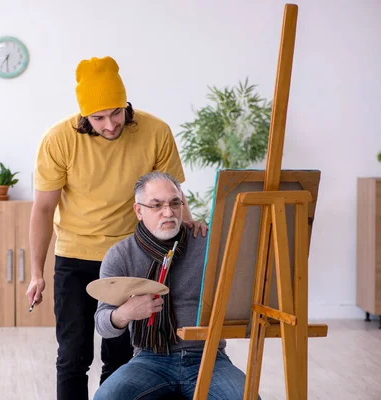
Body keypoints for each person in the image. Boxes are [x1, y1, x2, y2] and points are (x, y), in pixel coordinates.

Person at [25, 55, 208, 400]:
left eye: (116, 112)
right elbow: (44, 208)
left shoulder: (156, 132)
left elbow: (169, 192)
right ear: (84, 116)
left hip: (132, 257)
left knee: (123, 357)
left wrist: (186, 222)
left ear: (126, 105)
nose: (110, 124)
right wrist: (37, 272)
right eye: (98, 118)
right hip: (76, 256)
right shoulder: (58, 140)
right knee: (73, 356)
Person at [93, 171, 254, 400]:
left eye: (174, 203)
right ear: (139, 210)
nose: (168, 212)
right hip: (150, 359)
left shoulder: (208, 243)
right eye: (156, 205)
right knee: (106, 398)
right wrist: (124, 313)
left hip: (208, 357)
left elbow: (244, 289)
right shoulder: (120, 255)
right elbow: (102, 324)